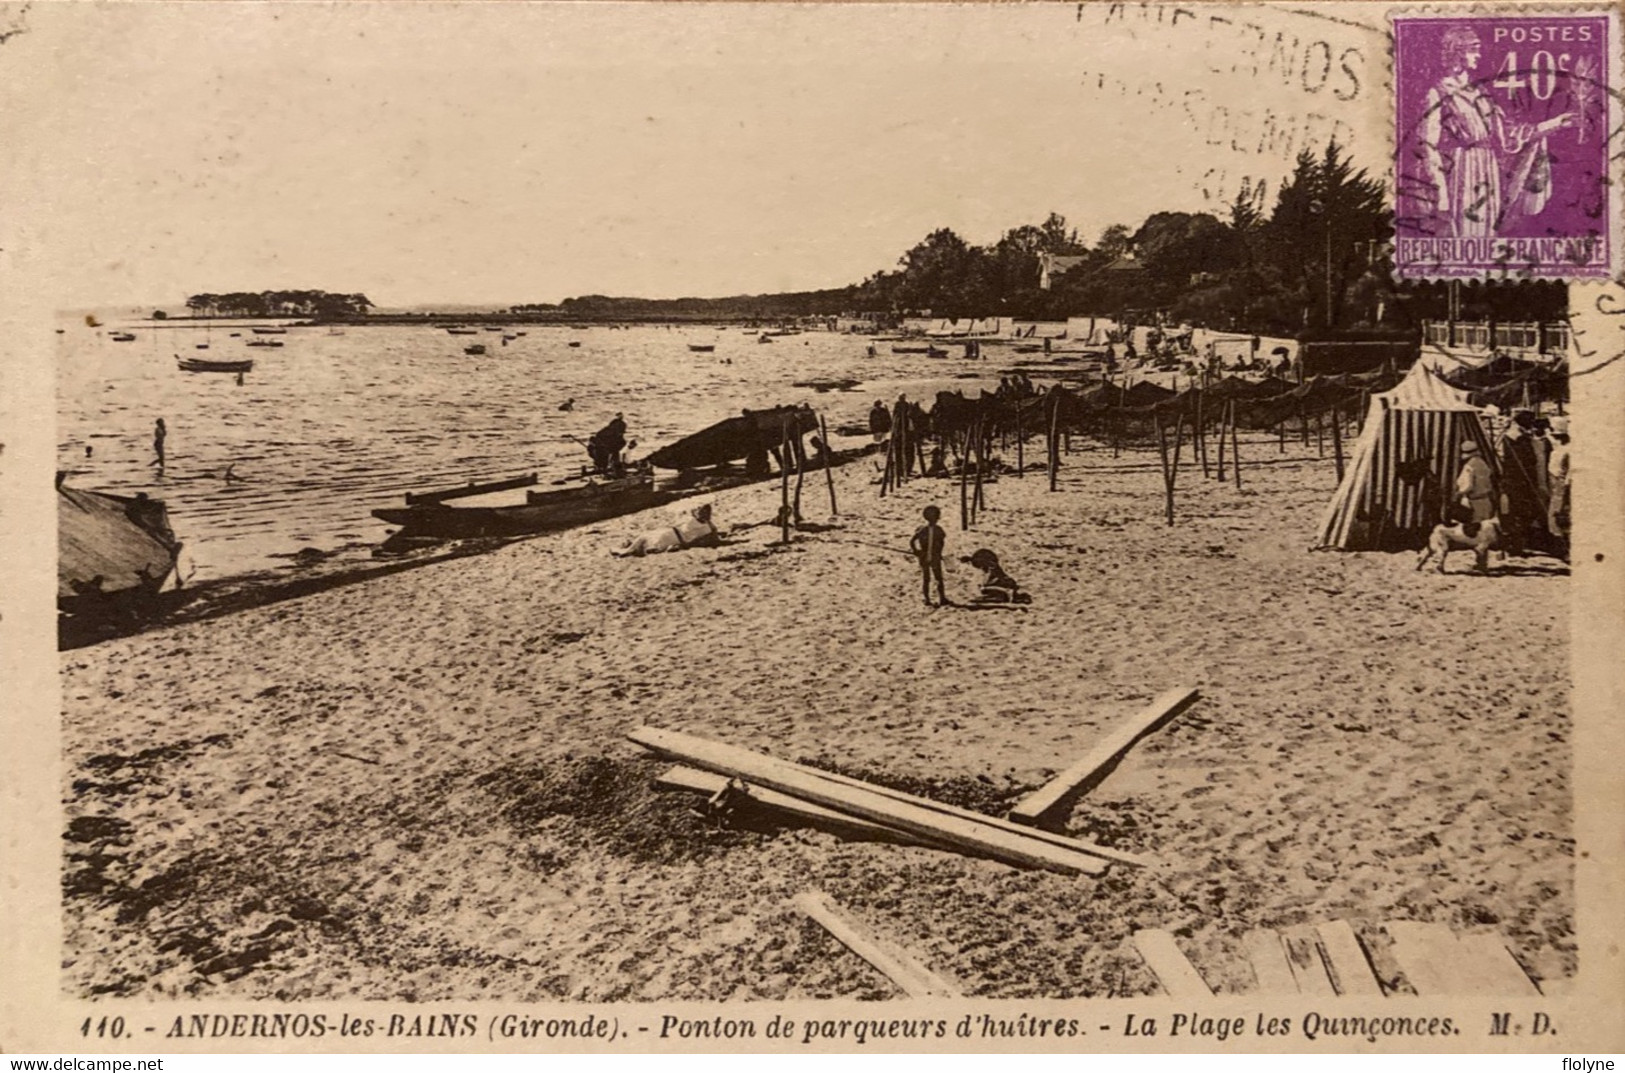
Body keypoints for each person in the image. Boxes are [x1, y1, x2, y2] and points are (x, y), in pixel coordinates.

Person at [1421, 26, 1576, 238]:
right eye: (1473, 50)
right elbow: (1427, 146)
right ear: (1457, 52)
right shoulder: (1437, 92)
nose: (1479, 55)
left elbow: (1510, 137)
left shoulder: (1481, 93)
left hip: (1488, 169)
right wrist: (1441, 192)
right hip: (1462, 170)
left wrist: (1555, 123)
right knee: (1466, 233)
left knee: (1487, 235)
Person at [1498, 411, 1543, 555]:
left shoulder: (1506, 438)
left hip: (1511, 480)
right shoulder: (1520, 439)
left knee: (1513, 514)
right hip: (1520, 482)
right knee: (1520, 514)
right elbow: (1531, 461)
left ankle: (1515, 544)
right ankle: (1516, 545)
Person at [909, 505, 948, 607]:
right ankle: (934, 598)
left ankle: (937, 598)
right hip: (928, 557)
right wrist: (916, 551)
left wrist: (916, 551)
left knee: (933, 578)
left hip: (929, 557)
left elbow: (912, 541)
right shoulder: (932, 530)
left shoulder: (927, 530)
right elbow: (912, 541)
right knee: (932, 578)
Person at [1454, 439, 1495, 524]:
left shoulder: (1469, 466)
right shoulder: (1483, 463)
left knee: (1475, 526)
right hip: (1486, 500)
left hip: (1475, 502)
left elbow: (1468, 485)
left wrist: (1458, 493)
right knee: (1486, 527)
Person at [1546, 416, 1571, 548]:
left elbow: (1569, 473)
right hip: (1554, 485)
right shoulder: (1559, 446)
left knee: (1559, 517)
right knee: (1553, 516)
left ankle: (1563, 546)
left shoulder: (1568, 449)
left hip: (1561, 486)